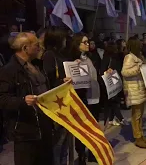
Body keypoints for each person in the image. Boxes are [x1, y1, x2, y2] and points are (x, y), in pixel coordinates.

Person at [0, 32, 54, 165]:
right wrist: (23, 101)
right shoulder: (9, 71)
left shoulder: (37, 65)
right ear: (25, 48)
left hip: (45, 127)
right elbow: (3, 99)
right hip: (26, 132)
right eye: (37, 45)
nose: (40, 48)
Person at [67, 33, 101, 164]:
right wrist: (74, 66)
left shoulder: (90, 57)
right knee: (82, 128)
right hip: (83, 98)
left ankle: (93, 152)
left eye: (88, 42)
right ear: (77, 44)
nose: (88, 44)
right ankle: (81, 155)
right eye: (85, 42)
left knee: (94, 127)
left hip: (95, 95)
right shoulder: (72, 59)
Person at [42, 27, 69, 165]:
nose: (66, 41)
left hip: (64, 101)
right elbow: (48, 80)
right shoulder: (49, 55)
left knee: (64, 143)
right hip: (55, 103)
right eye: (63, 38)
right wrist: (61, 81)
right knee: (57, 143)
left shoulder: (60, 54)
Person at [122, 37, 146, 148]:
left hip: (140, 89)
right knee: (136, 115)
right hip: (134, 90)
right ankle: (137, 137)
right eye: (139, 43)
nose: (141, 45)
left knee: (140, 114)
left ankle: (140, 135)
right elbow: (125, 72)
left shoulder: (138, 56)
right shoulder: (129, 57)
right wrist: (139, 68)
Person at [100, 41, 127, 126]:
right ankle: (120, 118)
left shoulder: (116, 57)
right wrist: (107, 71)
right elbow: (102, 70)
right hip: (110, 82)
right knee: (113, 101)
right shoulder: (108, 58)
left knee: (112, 102)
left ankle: (110, 119)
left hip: (115, 81)